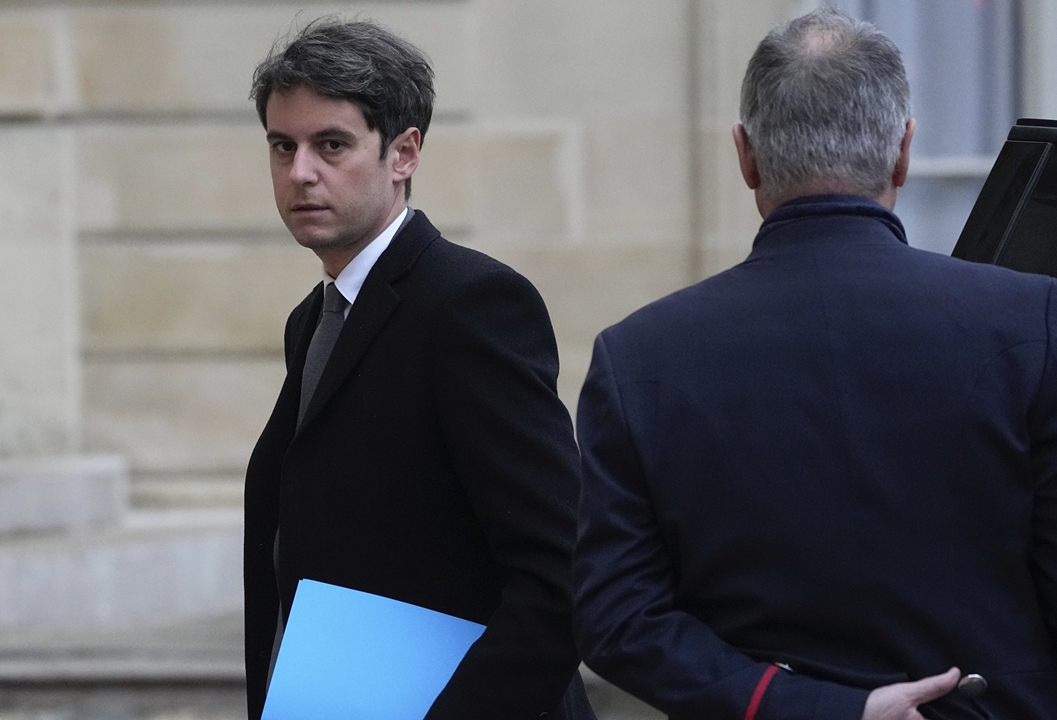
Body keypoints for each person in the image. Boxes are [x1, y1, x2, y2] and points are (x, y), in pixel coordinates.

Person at [572, 9, 1057, 720]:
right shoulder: (1031, 319)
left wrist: (816, 705)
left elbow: (619, 621)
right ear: (904, 151)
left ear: (745, 155)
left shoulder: (639, 354)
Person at [243, 18, 593, 720]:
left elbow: (563, 572)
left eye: (331, 145)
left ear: (403, 153)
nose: (300, 172)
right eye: (283, 146)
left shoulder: (472, 304)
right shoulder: (313, 319)